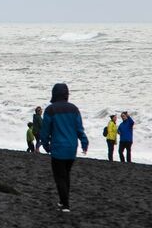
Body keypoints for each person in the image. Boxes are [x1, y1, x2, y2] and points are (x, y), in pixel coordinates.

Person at [39, 83, 89, 213]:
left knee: (60, 177)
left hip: (58, 148)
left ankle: (65, 205)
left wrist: (45, 144)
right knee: (66, 174)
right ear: (66, 94)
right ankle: (62, 201)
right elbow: (79, 129)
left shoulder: (50, 110)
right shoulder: (74, 109)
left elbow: (45, 130)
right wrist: (84, 142)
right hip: (72, 148)